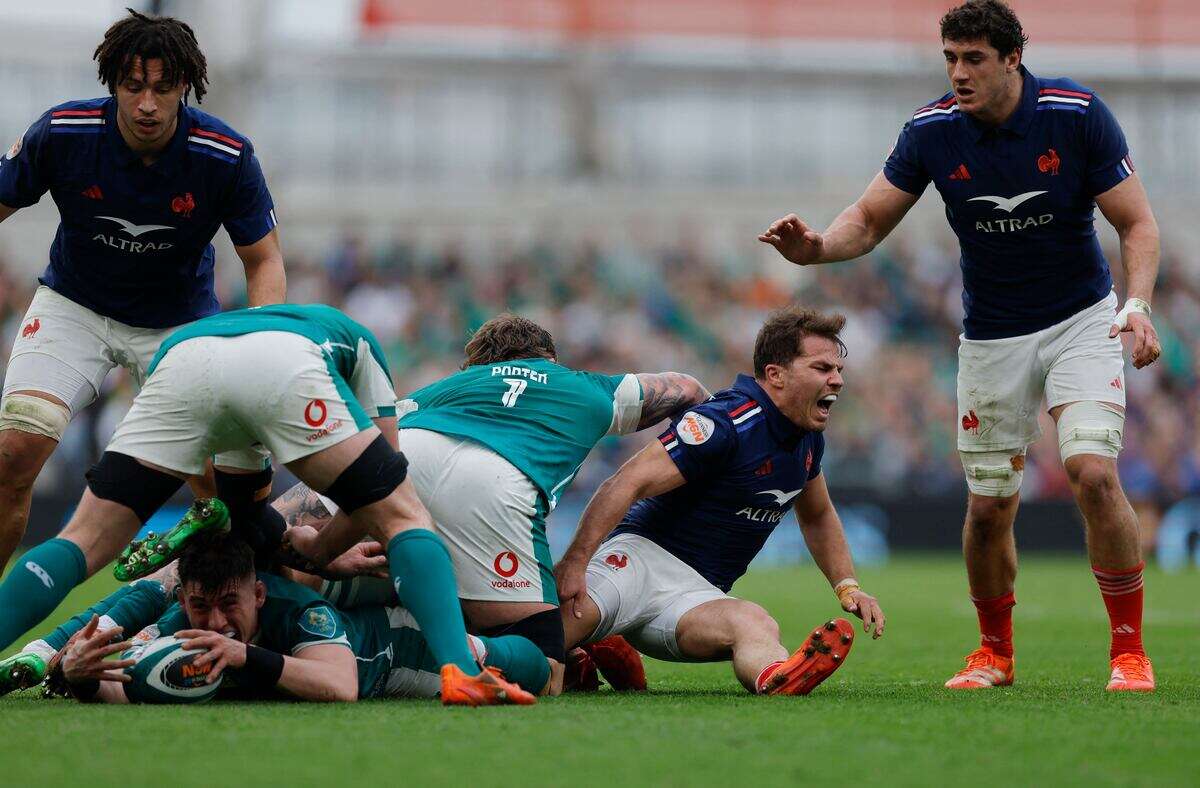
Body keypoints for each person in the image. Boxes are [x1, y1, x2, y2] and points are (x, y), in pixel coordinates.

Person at [758, 0, 1159, 691]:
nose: (959, 73)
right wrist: (817, 247)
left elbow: (1138, 222)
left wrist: (1138, 304)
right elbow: (869, 219)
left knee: (1092, 473)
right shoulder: (933, 130)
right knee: (988, 505)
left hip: (1080, 321)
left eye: (973, 58)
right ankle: (993, 654)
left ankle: (1129, 650)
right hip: (992, 335)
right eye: (950, 58)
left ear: (1012, 59)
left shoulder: (1075, 112)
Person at [0, 303, 534, 706]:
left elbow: (249, 514)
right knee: (403, 516)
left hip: (181, 360)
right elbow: (381, 496)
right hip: (283, 365)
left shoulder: (205, 338)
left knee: (83, 541)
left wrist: (279, 540)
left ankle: (36, 639)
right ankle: (460, 672)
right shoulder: (356, 340)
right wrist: (323, 551)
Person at [284, 313, 709, 692]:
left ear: (476, 366)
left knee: (286, 560)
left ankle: (290, 627)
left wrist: (326, 536)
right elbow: (687, 389)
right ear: (550, 360)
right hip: (496, 484)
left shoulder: (445, 387)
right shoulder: (590, 389)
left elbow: (374, 441)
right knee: (547, 668)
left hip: (410, 450)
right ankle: (459, 648)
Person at [0, 9, 287, 570]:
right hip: (73, 308)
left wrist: (262, 339)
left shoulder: (225, 154)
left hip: (177, 323)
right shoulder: (63, 133)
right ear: (113, 84)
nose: (148, 104)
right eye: (133, 87)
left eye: (162, 87)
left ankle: (237, 607)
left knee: (215, 482)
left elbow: (264, 258)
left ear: (186, 86)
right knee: (13, 454)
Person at [553, 307, 886, 696]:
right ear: (776, 374)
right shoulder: (725, 423)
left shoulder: (806, 437)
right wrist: (576, 563)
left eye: (839, 370)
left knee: (755, 623)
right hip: (639, 563)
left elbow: (818, 515)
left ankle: (777, 677)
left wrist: (847, 587)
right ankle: (579, 645)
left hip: (697, 595)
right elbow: (624, 483)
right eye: (822, 368)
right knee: (544, 645)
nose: (838, 380)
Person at [11, 534, 540, 704]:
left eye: (229, 603)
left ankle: (575, 654)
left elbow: (341, 684)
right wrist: (73, 676)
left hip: (398, 651)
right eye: (201, 605)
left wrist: (245, 655)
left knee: (538, 670)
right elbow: (125, 688)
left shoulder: (297, 610)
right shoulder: (179, 623)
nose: (215, 622)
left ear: (258, 593)